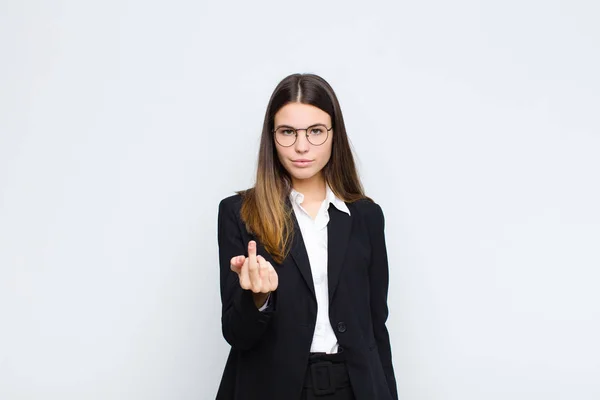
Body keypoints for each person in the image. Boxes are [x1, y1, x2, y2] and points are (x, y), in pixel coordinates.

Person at [216, 73, 398, 400]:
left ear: (333, 135)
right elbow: (236, 334)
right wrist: (258, 298)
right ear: (272, 137)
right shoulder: (239, 213)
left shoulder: (366, 217)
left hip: (354, 386)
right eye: (288, 132)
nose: (301, 146)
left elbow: (376, 328)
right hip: (273, 387)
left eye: (315, 131)